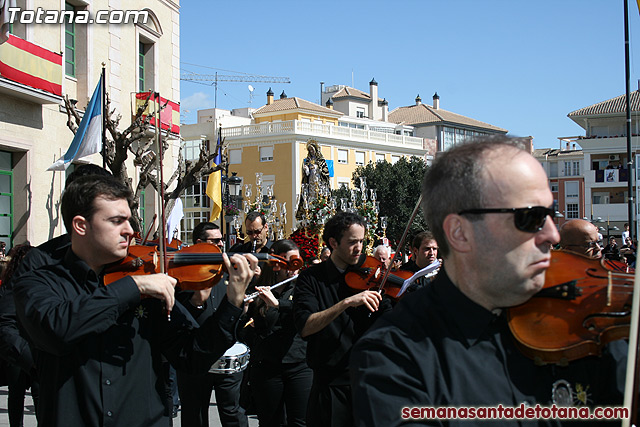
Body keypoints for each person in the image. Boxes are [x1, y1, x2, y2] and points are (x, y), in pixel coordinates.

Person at [350, 137, 625, 426]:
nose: (553, 235)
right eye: (531, 217)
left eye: (550, 215)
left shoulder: (578, 325)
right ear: (460, 233)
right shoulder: (393, 357)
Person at [13, 175, 257, 427]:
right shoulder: (40, 281)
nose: (130, 230)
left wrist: (232, 302)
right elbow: (56, 330)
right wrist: (132, 288)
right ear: (80, 225)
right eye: (117, 221)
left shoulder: (147, 280)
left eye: (129, 220)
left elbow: (191, 356)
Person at [293, 211, 389, 427]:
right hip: (331, 386)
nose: (360, 249)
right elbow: (306, 326)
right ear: (333, 243)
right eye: (353, 242)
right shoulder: (311, 278)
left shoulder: (371, 277)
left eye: (362, 241)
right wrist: (346, 303)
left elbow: (391, 319)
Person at [176, 221, 248, 427]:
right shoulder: (183, 274)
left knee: (233, 413)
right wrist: (196, 302)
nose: (221, 244)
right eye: (215, 241)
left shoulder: (226, 271)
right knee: (194, 415)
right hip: (195, 354)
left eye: (221, 240)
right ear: (200, 243)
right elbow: (176, 316)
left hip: (226, 354)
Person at [247, 239, 312, 427]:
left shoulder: (304, 286)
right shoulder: (261, 286)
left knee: (300, 422)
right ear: (277, 263)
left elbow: (304, 311)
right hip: (267, 364)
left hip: (299, 363)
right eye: (289, 263)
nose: (294, 269)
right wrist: (244, 311)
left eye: (297, 262)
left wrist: (277, 304)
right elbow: (253, 328)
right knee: (270, 422)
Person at [0, 243, 39, 427]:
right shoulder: (12, 284)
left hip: (37, 347)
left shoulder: (42, 282)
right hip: (18, 348)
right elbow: (6, 318)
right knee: (16, 393)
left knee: (39, 393)